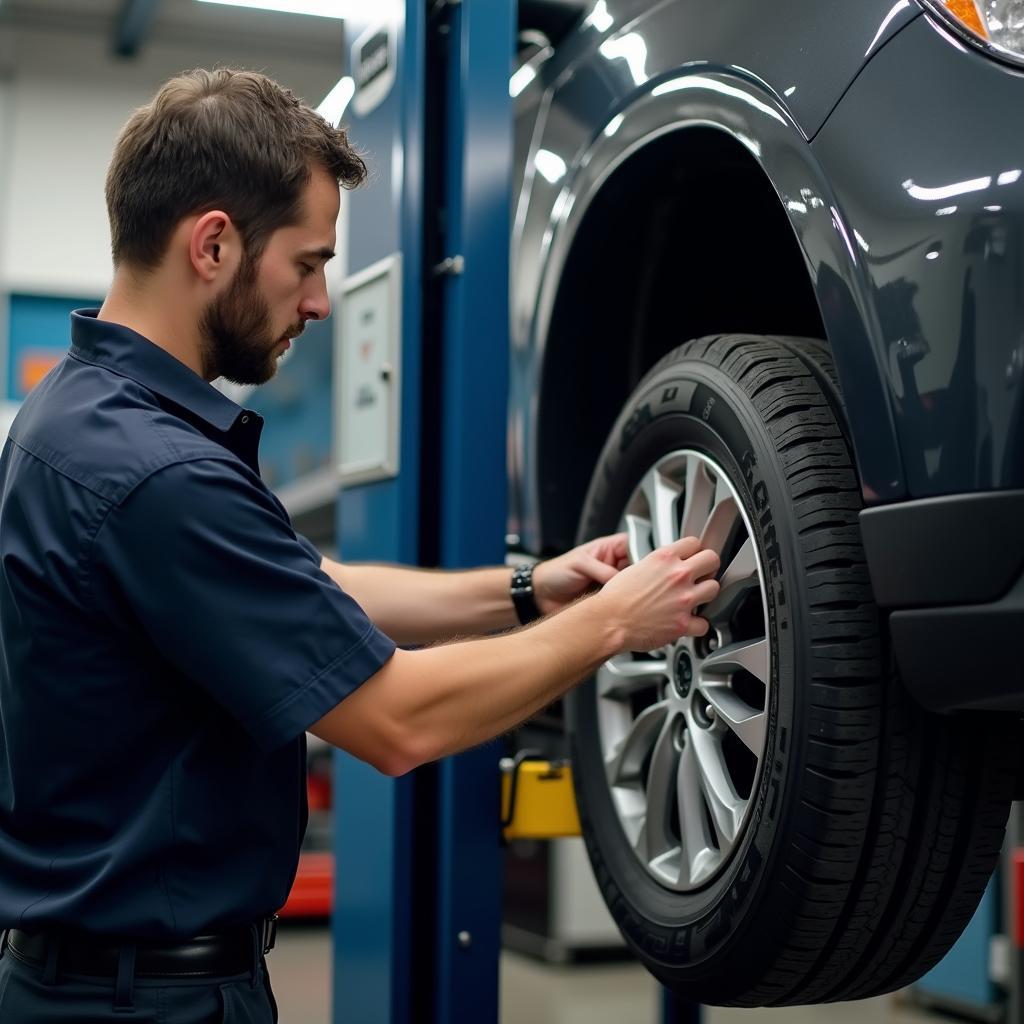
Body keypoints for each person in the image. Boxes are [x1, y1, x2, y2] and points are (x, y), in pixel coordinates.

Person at [0, 69, 720, 1022]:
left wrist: (528, 590)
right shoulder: (155, 473)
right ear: (213, 244)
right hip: (148, 1001)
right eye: (308, 263)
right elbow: (398, 723)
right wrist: (610, 627)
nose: (323, 303)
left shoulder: (80, 414)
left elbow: (307, 584)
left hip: (103, 981)